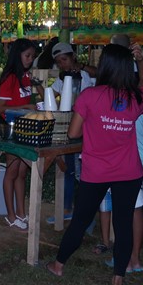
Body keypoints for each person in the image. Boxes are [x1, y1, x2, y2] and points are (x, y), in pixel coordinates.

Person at [46, 42, 143, 285]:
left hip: (96, 171)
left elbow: (73, 133)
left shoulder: (90, 96)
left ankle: (58, 265)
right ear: (127, 68)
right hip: (129, 171)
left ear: (103, 66)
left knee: (81, 220)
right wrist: (140, 60)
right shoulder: (135, 97)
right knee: (123, 223)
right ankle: (117, 281)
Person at [97, 95, 143, 271]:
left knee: (123, 211)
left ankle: (123, 261)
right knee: (136, 210)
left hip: (126, 161)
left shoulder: (118, 101)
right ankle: (136, 259)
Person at [0, 38, 44, 231]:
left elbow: (42, 94)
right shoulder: (9, 78)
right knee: (12, 171)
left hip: (26, 128)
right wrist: (25, 106)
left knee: (22, 173)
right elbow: (0, 108)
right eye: (27, 56)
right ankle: (10, 215)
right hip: (12, 128)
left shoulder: (25, 76)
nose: (30, 59)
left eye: (32, 56)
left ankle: (21, 213)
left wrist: (36, 82)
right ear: (18, 55)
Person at [46, 42, 96, 224]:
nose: (63, 65)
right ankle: (67, 208)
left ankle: (85, 209)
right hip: (70, 127)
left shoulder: (87, 74)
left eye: (65, 60)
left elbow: (100, 73)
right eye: (59, 62)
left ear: (73, 56)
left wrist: (81, 67)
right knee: (68, 169)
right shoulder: (63, 78)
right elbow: (52, 95)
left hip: (88, 129)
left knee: (84, 171)